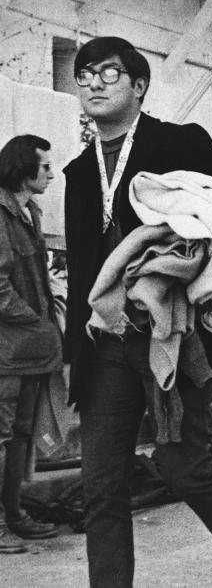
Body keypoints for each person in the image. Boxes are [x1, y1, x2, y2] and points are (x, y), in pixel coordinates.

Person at [63, 37, 212, 588]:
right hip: (107, 343)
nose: (93, 83)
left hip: (172, 339)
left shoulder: (177, 144)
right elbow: (86, 269)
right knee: (101, 485)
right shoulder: (78, 173)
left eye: (107, 73)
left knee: (182, 466)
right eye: (84, 74)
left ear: (139, 86)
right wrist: (73, 355)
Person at [0, 135, 61, 554]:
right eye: (45, 167)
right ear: (25, 171)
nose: (51, 173)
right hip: (8, 350)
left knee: (19, 436)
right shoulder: (1, 215)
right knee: (3, 437)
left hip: (28, 350)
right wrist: (37, 321)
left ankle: (14, 515)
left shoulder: (28, 211)